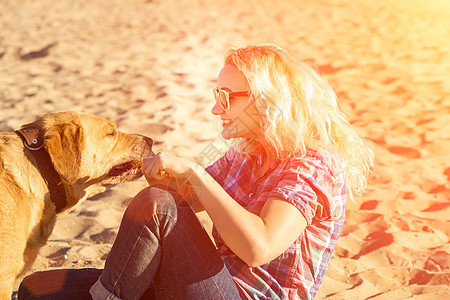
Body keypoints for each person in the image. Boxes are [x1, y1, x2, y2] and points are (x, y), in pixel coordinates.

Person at [18, 44, 374, 300]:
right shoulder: (249, 152)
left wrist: (194, 174)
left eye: (227, 95)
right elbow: (181, 204)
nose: (215, 107)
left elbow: (259, 247)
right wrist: (159, 175)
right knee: (37, 290)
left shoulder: (313, 164)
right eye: (215, 93)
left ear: (266, 100)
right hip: (201, 285)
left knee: (156, 204)